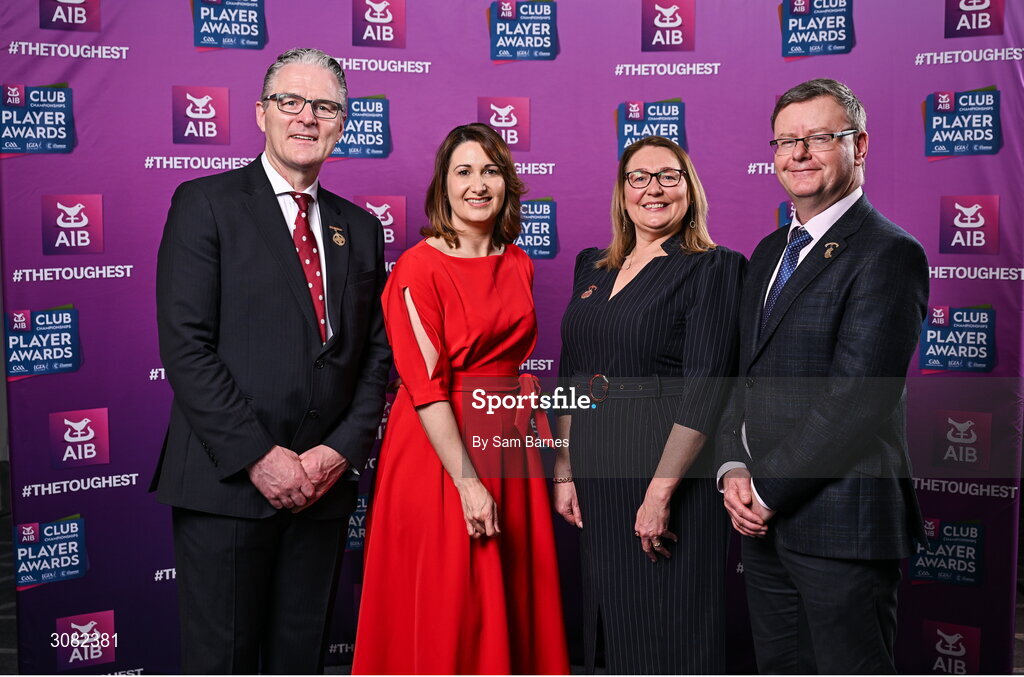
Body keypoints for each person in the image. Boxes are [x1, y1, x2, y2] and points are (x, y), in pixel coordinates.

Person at [152, 48, 391, 674]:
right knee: (222, 660)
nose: (306, 117)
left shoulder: (360, 229)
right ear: (262, 113)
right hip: (227, 481)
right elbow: (185, 345)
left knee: (300, 658)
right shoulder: (204, 203)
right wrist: (261, 458)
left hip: (323, 484)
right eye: (291, 101)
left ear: (342, 124)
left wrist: (339, 451)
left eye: (325, 107)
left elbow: (374, 355)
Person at [717, 78, 929, 674]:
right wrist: (733, 465)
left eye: (818, 138)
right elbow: (744, 377)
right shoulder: (765, 253)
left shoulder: (888, 252)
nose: (799, 154)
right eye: (787, 141)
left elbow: (856, 401)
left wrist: (766, 491)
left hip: (842, 523)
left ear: (859, 146)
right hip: (764, 528)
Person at [352, 123, 569, 674]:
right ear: (442, 187)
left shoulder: (518, 260)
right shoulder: (416, 267)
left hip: (507, 438)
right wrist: (468, 483)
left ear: (507, 182)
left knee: (511, 584)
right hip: (439, 448)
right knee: (454, 591)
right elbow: (425, 388)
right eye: (464, 172)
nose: (478, 184)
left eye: (490, 171)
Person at [553, 136, 745, 674]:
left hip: (667, 466)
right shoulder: (592, 265)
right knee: (610, 619)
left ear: (689, 188)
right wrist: (564, 470)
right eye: (639, 177)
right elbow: (572, 371)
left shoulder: (714, 267)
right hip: (597, 465)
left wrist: (660, 494)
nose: (653, 189)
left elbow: (706, 385)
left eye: (669, 176)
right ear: (622, 191)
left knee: (668, 624)